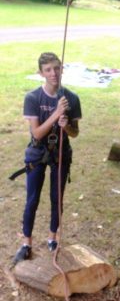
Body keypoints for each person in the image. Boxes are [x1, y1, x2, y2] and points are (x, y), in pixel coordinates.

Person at [13, 52, 81, 264]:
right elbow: (37, 133)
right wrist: (56, 113)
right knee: (32, 200)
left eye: (57, 68)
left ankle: (53, 237)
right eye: (48, 69)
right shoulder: (33, 98)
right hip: (37, 153)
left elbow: (74, 133)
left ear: (62, 69)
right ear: (41, 73)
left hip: (60, 153)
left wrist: (66, 125)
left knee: (56, 198)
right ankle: (26, 243)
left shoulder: (71, 97)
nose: (54, 73)